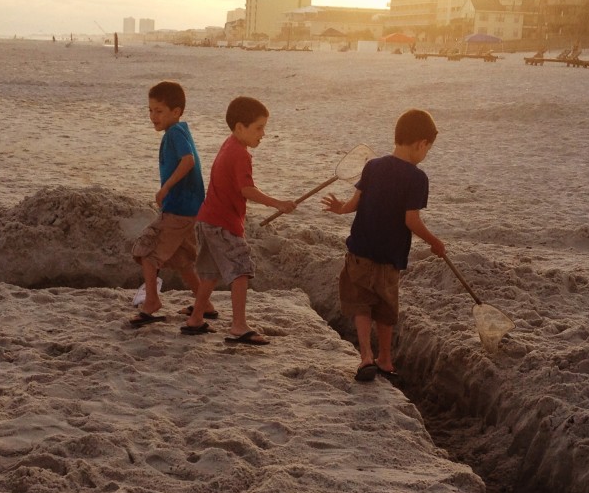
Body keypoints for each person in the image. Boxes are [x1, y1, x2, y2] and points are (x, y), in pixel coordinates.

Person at [321, 108, 445, 382]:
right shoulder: (417, 178)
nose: (425, 154)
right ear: (421, 144)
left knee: (362, 304)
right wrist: (435, 242)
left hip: (361, 251)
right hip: (390, 256)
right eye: (428, 149)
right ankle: (385, 359)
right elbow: (411, 220)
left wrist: (340, 210)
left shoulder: (373, 166)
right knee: (386, 309)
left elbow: (355, 203)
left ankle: (366, 355)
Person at [183, 96, 296, 345]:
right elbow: (247, 189)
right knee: (241, 271)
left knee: (211, 273)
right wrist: (278, 203)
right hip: (222, 223)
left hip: (207, 220)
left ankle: (196, 319)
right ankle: (238, 325)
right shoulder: (240, 154)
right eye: (258, 128)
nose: (263, 134)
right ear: (239, 127)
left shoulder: (229, 145)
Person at [129, 80, 213, 327]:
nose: (153, 116)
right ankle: (204, 303)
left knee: (147, 250)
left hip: (179, 208)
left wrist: (165, 188)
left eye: (159, 111)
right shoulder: (179, 131)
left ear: (176, 112)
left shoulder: (175, 133)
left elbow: (187, 161)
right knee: (182, 259)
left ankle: (152, 301)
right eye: (150, 110)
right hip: (190, 209)